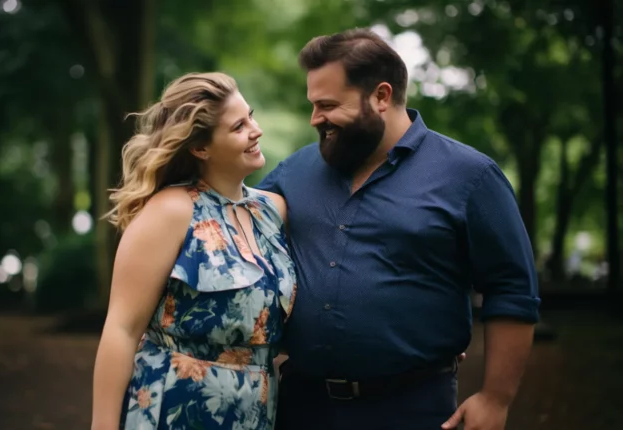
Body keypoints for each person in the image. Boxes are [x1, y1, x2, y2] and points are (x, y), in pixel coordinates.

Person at [256, 28, 540, 430]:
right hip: (300, 405)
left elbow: (512, 289)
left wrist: (496, 398)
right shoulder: (294, 172)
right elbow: (236, 236)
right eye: (313, 105)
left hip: (412, 408)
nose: (315, 118)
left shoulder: (471, 177)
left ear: (381, 96)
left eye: (327, 105)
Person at [91, 72, 297, 430]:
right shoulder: (171, 211)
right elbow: (121, 330)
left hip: (255, 413)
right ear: (201, 148)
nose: (256, 130)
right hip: (175, 407)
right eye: (238, 127)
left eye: (251, 115)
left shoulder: (273, 211)